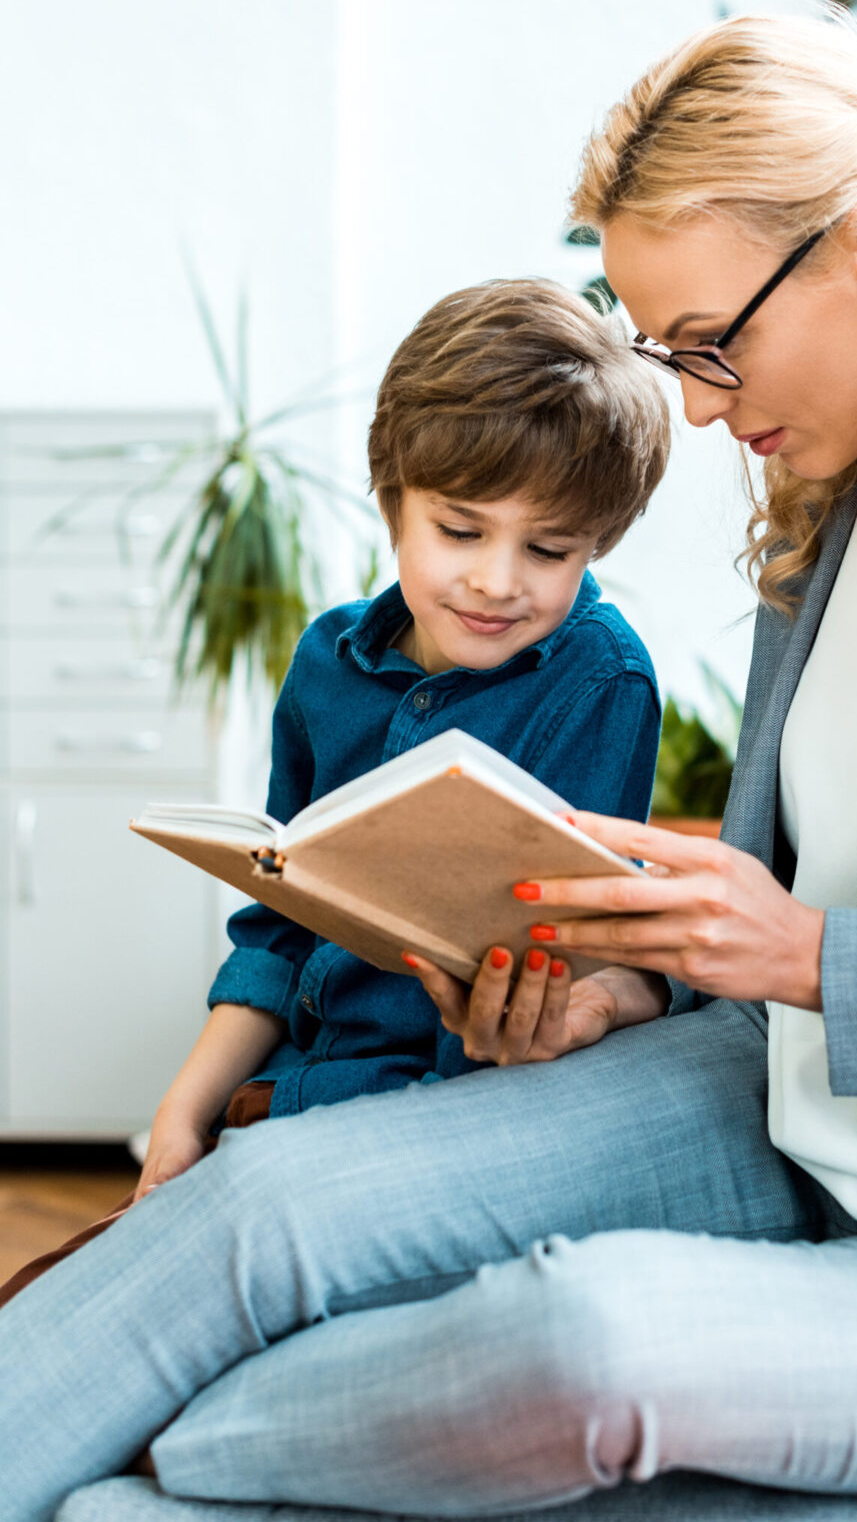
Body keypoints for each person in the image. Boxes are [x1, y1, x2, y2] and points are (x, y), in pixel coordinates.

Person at [4, 11, 857, 1522]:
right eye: (667, 351)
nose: (689, 400)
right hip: (765, 1108)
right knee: (266, 1203)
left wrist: (818, 961)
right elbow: (775, 916)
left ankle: (137, 1470)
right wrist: (620, 993)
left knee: (581, 1343)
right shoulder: (825, 518)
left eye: (710, 343)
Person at [0, 276, 669, 1309]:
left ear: (600, 544)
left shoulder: (599, 680)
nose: (498, 581)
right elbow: (277, 917)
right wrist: (189, 1103)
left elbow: (576, 950)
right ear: (391, 494)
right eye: (459, 530)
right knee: (48, 1304)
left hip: (446, 1122)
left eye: (550, 551)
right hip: (292, 1100)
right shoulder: (328, 665)